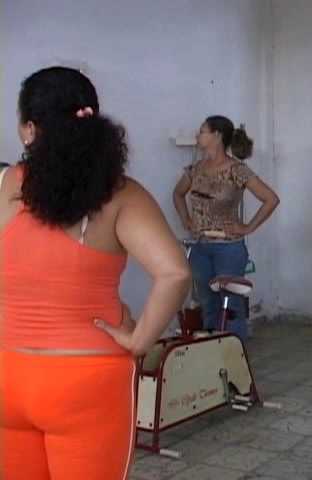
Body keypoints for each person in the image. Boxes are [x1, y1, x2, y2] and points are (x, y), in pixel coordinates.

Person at [0, 66, 191, 480]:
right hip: (86, 380)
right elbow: (174, 273)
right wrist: (139, 340)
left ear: (29, 130)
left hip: (7, 374)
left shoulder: (7, 185)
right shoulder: (122, 194)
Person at [173, 117, 279, 339]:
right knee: (207, 303)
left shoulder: (237, 170)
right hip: (200, 247)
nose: (198, 135)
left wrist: (247, 227)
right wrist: (186, 220)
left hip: (228, 248)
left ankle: (234, 351)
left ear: (217, 135)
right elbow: (178, 193)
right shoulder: (196, 169)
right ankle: (212, 350)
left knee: (231, 305)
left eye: (202, 131)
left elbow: (271, 199)